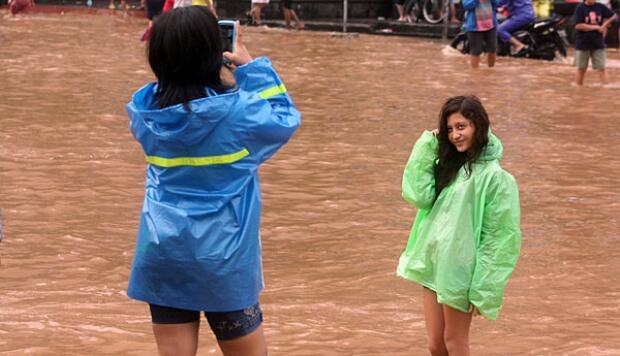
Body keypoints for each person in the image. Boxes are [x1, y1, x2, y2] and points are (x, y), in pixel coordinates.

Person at [125, 7, 301, 356]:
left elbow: (167, 91)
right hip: (224, 261)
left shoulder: (144, 112)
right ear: (213, 52)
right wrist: (251, 68)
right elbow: (285, 118)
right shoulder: (240, 113)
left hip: (163, 253)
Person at [397, 95, 521, 356]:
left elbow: (500, 237)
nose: (455, 135)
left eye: (461, 126)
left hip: (463, 271)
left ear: (478, 125)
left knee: (454, 343)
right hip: (434, 265)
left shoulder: (497, 179)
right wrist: (428, 144)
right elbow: (418, 195)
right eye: (450, 129)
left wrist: (483, 287)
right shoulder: (450, 167)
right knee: (435, 345)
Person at [573, 0, 618, 85]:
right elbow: (578, 25)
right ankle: (579, 88)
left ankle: (605, 89)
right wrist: (596, 27)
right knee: (581, 68)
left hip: (598, 43)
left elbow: (613, 15)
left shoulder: (600, 6)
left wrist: (604, 25)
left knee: (602, 68)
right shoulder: (580, 8)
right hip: (583, 43)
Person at [462, 0, 499, 68]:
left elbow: (497, 3)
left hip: (490, 24)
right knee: (476, 51)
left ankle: (491, 70)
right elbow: (466, 6)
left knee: (493, 49)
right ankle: (475, 74)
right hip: (474, 26)